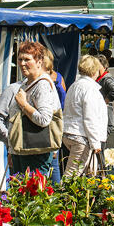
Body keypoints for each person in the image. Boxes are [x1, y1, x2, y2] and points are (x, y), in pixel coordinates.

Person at [8, 42, 60, 175]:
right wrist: (12, 149)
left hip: (36, 152)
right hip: (23, 149)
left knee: (33, 192)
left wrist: (24, 104)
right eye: (20, 59)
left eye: (27, 59)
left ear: (39, 61)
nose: (22, 63)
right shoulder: (27, 82)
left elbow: (44, 119)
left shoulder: (42, 85)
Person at [62, 55, 107, 177]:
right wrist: (95, 142)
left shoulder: (74, 85)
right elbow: (90, 117)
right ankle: (62, 195)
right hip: (80, 136)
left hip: (70, 133)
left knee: (85, 171)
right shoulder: (90, 89)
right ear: (95, 70)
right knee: (72, 174)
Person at [43, 49, 65, 183]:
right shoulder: (59, 77)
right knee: (54, 162)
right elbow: (64, 97)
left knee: (50, 162)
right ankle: (57, 193)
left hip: (50, 120)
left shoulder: (42, 81)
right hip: (58, 118)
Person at [96, 55, 114, 138]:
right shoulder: (99, 78)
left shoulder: (107, 79)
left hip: (106, 114)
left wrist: (105, 101)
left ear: (104, 66)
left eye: (97, 66)